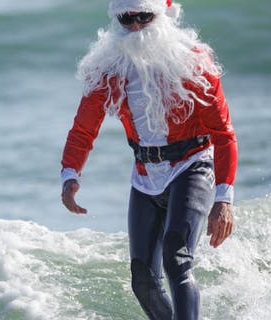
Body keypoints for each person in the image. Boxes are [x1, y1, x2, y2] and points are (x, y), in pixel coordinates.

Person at [60, 0, 237, 318]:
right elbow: (85, 126)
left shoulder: (193, 61)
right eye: (128, 19)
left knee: (177, 258)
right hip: (144, 174)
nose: (137, 26)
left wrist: (223, 200)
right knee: (142, 279)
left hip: (192, 164)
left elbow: (223, 134)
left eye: (145, 16)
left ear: (163, 15)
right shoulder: (110, 67)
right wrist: (70, 173)